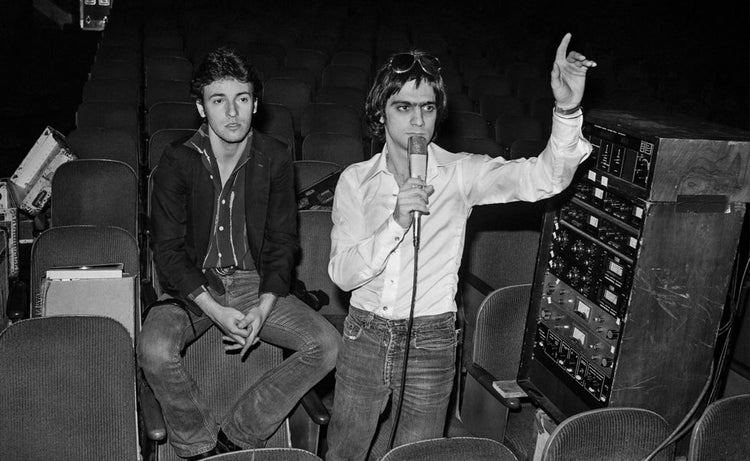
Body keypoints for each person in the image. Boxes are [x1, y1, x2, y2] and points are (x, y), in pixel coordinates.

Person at [325, 33, 596, 461]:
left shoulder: (459, 173)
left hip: (433, 339)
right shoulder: (355, 180)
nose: (418, 121)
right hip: (366, 334)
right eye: (404, 107)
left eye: (427, 108)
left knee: (416, 454)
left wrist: (566, 110)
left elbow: (545, 178)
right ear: (381, 112)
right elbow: (342, 274)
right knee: (344, 451)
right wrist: (396, 222)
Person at [138, 47, 341, 460]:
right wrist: (214, 310)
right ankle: (199, 446)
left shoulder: (275, 157)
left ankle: (239, 435)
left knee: (328, 346)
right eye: (219, 100)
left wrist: (264, 308)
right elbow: (169, 252)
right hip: (195, 285)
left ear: (254, 103)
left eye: (242, 99)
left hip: (253, 283)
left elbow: (284, 241)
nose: (233, 112)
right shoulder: (176, 161)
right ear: (201, 107)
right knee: (153, 349)